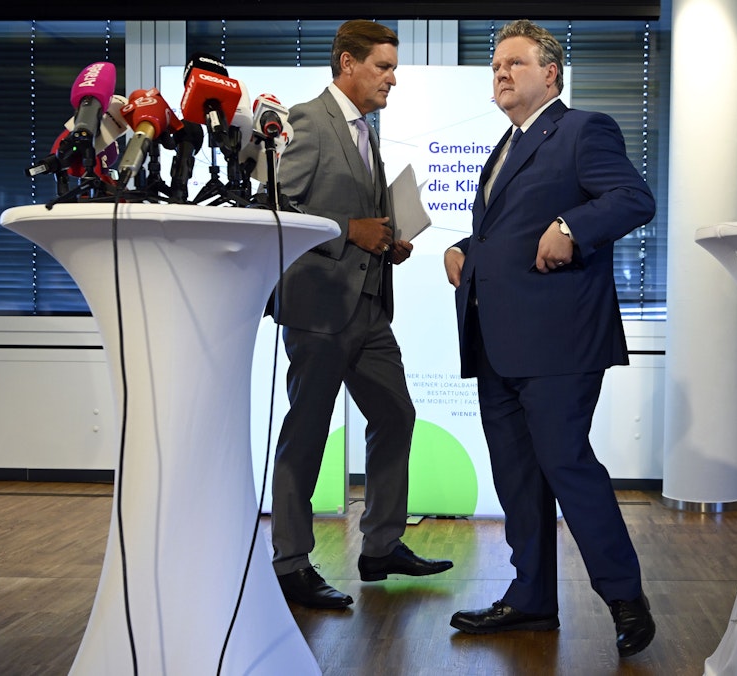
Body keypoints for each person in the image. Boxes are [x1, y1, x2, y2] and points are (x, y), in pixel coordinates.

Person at [443, 20, 656, 657]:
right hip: (497, 340)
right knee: (516, 475)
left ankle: (625, 597)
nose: (501, 72)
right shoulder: (505, 145)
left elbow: (632, 198)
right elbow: (508, 231)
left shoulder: (583, 130)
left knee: (566, 463)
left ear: (550, 74)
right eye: (495, 65)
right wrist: (464, 249)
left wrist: (571, 223)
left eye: (514, 63)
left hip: (560, 340)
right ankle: (532, 598)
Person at [269, 19, 452, 610]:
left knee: (396, 415)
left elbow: (355, 213)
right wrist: (352, 230)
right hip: (319, 307)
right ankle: (291, 562)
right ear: (347, 64)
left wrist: (386, 239)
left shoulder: (366, 131)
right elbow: (278, 203)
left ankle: (380, 546)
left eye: (393, 68)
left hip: (370, 308)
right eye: (383, 67)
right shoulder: (306, 120)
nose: (392, 79)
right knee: (307, 434)